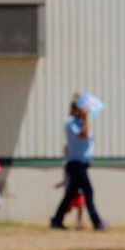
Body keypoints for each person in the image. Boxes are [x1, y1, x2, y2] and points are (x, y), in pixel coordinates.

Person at [50, 98, 106, 231]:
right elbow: (83, 134)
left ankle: (56, 220)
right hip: (76, 164)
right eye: (82, 109)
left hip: (82, 164)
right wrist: (86, 119)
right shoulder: (71, 123)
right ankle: (97, 222)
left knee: (70, 195)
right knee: (88, 191)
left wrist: (84, 120)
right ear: (75, 109)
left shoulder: (79, 122)